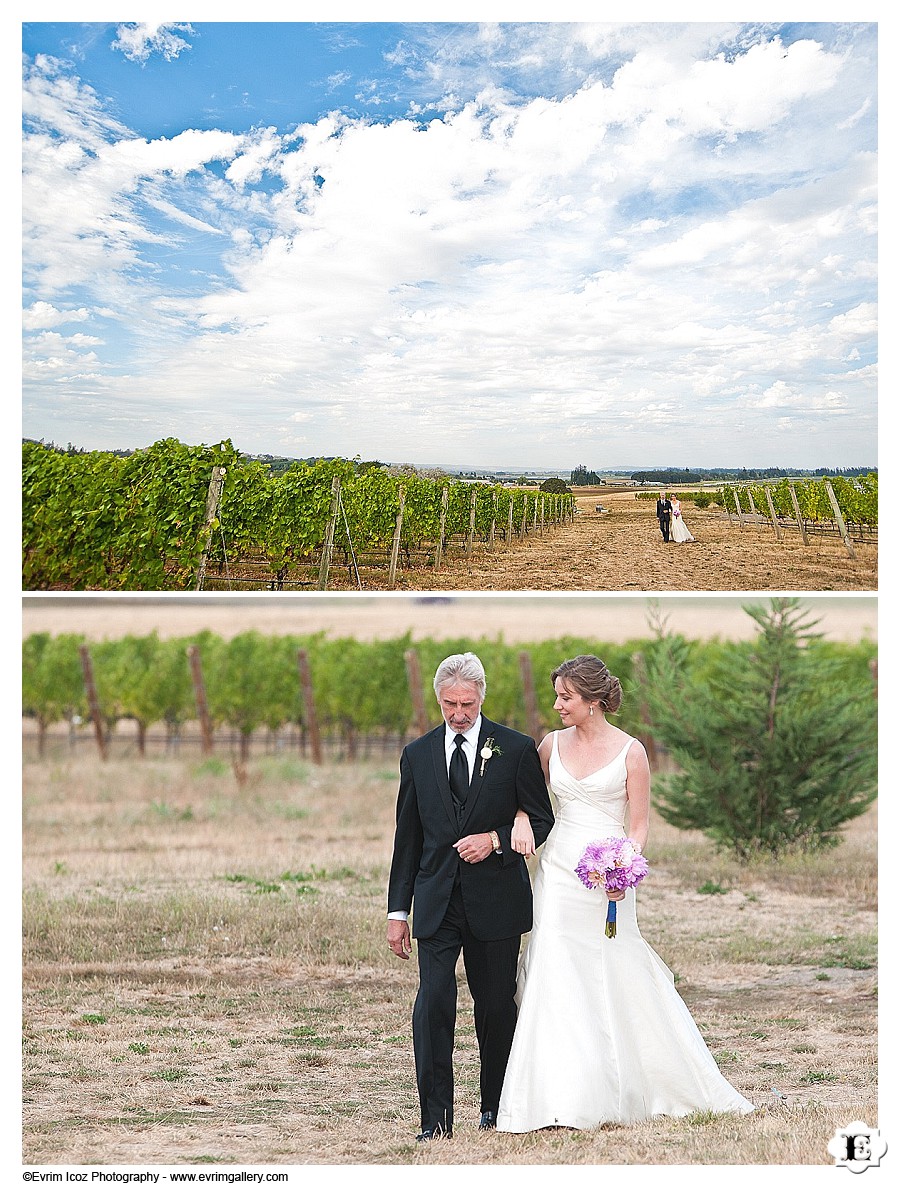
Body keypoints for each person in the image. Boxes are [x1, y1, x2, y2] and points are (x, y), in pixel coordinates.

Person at [496, 655, 754, 1132]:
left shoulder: (633, 753)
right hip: (557, 872)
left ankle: (636, 1081)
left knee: (614, 966)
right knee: (554, 967)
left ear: (594, 702)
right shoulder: (549, 746)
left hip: (608, 878)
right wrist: (517, 821)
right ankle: (559, 1094)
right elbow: (526, 803)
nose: (556, 705)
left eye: (566, 697)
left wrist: (624, 868)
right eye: (556, 695)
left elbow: (638, 827)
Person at [387, 652, 555, 1141]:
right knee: (433, 1003)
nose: (458, 714)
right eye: (449, 704)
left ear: (482, 697)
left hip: (497, 901)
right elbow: (407, 840)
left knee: (496, 1007)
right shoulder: (416, 755)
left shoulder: (517, 748)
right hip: (436, 902)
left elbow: (541, 819)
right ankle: (435, 1121)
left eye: (466, 703)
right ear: (437, 699)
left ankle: (496, 1107)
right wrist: (399, 911)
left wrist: (497, 839)